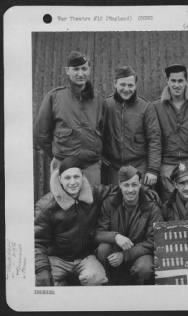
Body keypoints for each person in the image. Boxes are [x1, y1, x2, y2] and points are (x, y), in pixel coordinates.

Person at [35, 157, 112, 286]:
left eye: (76, 177)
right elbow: (36, 242)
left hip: (85, 257)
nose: (73, 182)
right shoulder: (46, 205)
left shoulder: (94, 194)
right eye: (67, 178)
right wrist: (41, 269)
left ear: (82, 176)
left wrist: (146, 194)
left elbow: (118, 190)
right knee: (46, 283)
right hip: (56, 259)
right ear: (60, 180)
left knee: (96, 278)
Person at [34, 51, 104, 185]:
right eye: (76, 69)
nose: (80, 73)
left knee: (92, 203)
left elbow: (104, 130)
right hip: (65, 166)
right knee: (65, 205)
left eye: (84, 68)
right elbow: (40, 134)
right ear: (67, 71)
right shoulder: (55, 97)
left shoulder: (98, 99)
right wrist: (57, 154)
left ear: (89, 70)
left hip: (91, 167)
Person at [95, 166, 163, 285]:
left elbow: (153, 241)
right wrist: (115, 237)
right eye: (126, 185)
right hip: (114, 254)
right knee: (102, 249)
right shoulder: (109, 203)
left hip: (139, 254)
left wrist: (125, 255)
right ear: (120, 184)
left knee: (145, 267)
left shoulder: (151, 207)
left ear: (140, 184)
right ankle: (109, 284)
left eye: (134, 185)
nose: (130, 190)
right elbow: (97, 233)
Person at [152, 64, 188, 201]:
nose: (177, 85)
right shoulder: (156, 107)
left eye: (180, 81)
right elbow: (153, 140)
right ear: (167, 81)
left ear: (186, 81)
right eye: (173, 81)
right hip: (168, 165)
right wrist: (159, 166)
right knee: (171, 208)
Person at [102, 66, 161, 186]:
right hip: (114, 168)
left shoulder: (146, 107)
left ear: (135, 86)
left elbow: (154, 139)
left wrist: (153, 169)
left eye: (130, 85)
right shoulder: (106, 105)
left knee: (142, 201)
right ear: (115, 84)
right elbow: (97, 134)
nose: (126, 89)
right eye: (122, 85)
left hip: (139, 166)